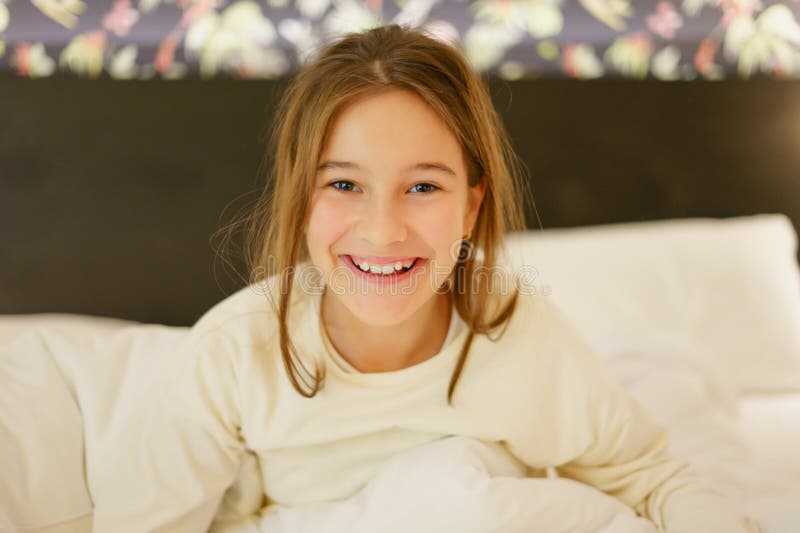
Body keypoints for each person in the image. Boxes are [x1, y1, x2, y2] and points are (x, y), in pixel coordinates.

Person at [92, 24, 759, 533]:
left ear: (471, 205)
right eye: (345, 184)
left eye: (423, 186)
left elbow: (650, 475)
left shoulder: (516, 336)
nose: (383, 231)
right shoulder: (235, 352)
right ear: (300, 200)